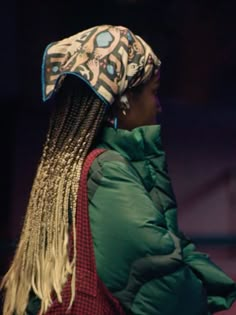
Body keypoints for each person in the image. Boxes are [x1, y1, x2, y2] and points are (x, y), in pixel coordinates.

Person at [1, 24, 236, 315]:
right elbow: (167, 287)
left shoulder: (67, 169)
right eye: (154, 92)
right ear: (123, 102)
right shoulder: (107, 172)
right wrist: (209, 287)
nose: (158, 106)